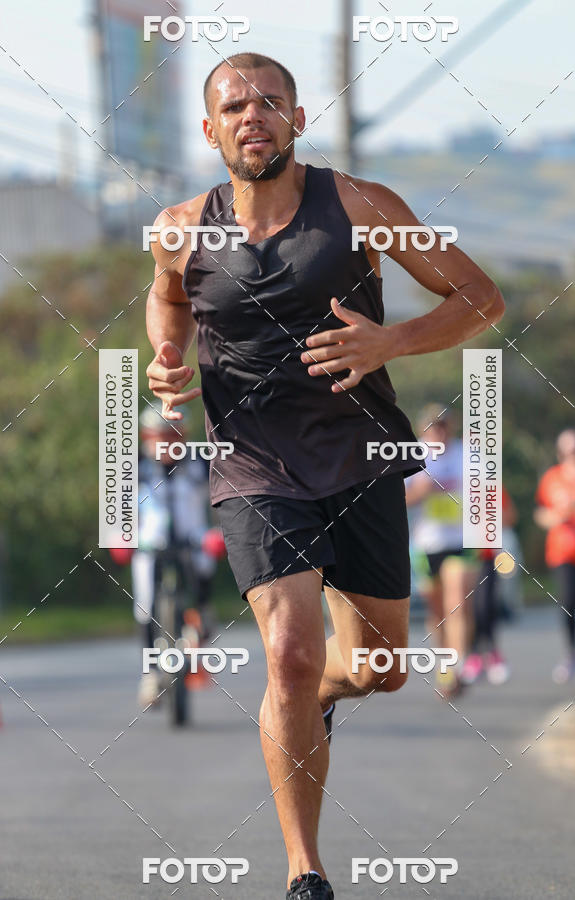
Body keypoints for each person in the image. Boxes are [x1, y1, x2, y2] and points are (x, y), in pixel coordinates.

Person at [144, 52, 504, 899]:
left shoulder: (363, 206)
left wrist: (391, 342)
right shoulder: (179, 226)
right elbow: (166, 293)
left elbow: (479, 297)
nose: (252, 116)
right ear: (211, 129)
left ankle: (320, 698)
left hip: (361, 457)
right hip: (252, 463)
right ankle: (305, 869)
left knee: (380, 668)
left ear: (298, 120)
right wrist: (168, 356)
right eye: (234, 106)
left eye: (271, 102)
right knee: (292, 657)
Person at [133, 401, 218, 707]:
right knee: (145, 604)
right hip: (149, 544)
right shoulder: (135, 469)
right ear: (146, 437)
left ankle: (200, 628)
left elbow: (222, 501)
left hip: (193, 541)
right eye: (159, 436)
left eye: (174, 436)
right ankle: (151, 674)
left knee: (201, 577)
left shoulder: (200, 465)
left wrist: (219, 533)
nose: (167, 443)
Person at [405, 405, 479, 697]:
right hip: (426, 544)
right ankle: (444, 664)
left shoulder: (467, 454)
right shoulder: (415, 456)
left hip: (462, 541)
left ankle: (456, 668)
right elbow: (398, 499)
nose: (439, 431)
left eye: (444, 426)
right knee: (438, 612)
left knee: (457, 602)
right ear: (423, 430)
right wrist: (422, 491)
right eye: (433, 426)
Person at [534, 429, 575, 684]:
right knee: (569, 602)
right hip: (564, 553)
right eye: (569, 450)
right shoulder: (552, 478)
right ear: (561, 453)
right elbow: (540, 513)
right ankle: (570, 655)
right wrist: (554, 518)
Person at [462, 487, 518, 686]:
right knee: (467, 609)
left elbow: (510, 517)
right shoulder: (448, 484)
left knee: (485, 606)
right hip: (459, 557)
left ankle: (492, 654)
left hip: (485, 556)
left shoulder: (491, 487)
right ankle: (473, 655)